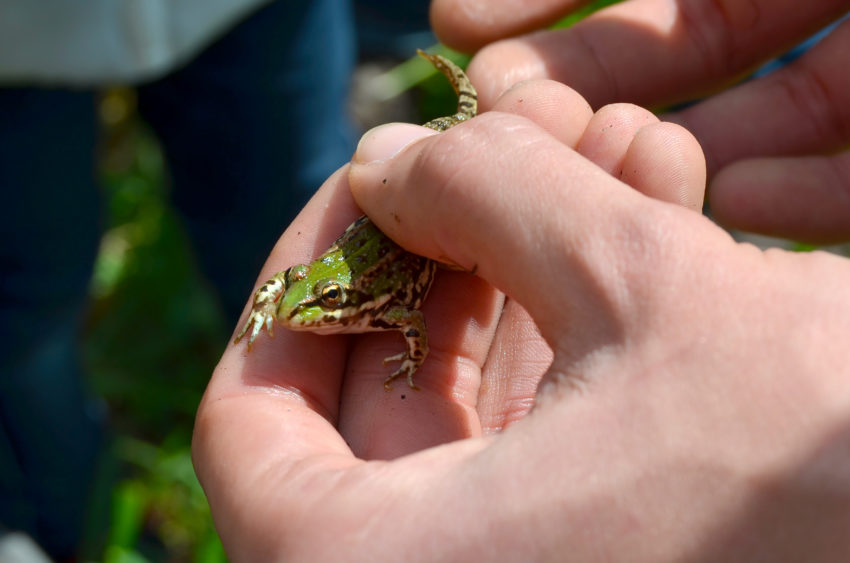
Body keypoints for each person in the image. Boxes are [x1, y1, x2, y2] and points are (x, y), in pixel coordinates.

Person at [192, 1, 850, 560]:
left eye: (324, 305)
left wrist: (411, 362)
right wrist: (261, 315)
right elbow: (287, 285)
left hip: (395, 240)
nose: (306, 311)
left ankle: (452, 125)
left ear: (347, 302)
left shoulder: (378, 306)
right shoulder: (311, 292)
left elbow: (414, 322)